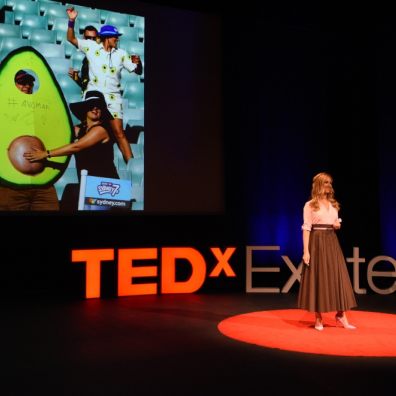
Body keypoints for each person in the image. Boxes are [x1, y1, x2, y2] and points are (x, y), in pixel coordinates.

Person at [66, 7, 143, 164]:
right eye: (115, 37)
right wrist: (71, 21)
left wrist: (139, 63)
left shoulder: (121, 54)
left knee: (119, 133)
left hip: (113, 97)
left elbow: (137, 71)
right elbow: (71, 38)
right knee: (88, 129)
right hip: (94, 95)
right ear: (107, 37)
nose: (117, 40)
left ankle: (132, 166)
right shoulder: (92, 47)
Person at [297, 172, 357, 331]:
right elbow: (306, 229)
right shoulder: (309, 205)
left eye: (330, 183)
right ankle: (318, 318)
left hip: (331, 242)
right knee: (319, 278)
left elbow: (334, 222)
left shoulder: (333, 205)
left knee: (338, 278)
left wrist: (337, 224)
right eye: (325, 183)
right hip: (317, 242)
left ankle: (341, 315)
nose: (329, 186)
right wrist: (306, 251)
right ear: (318, 185)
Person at [23, 90, 119, 182]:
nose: (95, 108)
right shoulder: (79, 129)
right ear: (85, 108)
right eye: (91, 105)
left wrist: (45, 154)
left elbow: (76, 147)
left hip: (107, 185)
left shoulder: (100, 130)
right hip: (88, 183)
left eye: (99, 106)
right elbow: (59, 135)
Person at [0, 70, 59, 211]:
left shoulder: (42, 110)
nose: (27, 86)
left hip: (43, 182)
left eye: (30, 83)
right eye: (21, 83)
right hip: (10, 183)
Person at [68, 25, 98, 93]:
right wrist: (76, 77)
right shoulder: (86, 58)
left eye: (94, 38)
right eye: (88, 38)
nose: (91, 41)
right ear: (83, 38)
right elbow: (84, 84)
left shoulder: (99, 57)